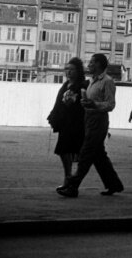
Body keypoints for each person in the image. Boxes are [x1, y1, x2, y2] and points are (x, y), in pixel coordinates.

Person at [57, 53, 124, 198]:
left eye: (92, 62)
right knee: (99, 156)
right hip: (88, 121)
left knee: (86, 155)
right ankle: (113, 184)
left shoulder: (107, 81)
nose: (90, 64)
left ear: (99, 64)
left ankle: (72, 185)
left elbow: (110, 104)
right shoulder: (91, 81)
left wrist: (94, 104)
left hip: (99, 122)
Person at [48, 58, 89, 188]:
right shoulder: (65, 85)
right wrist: (54, 116)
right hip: (65, 124)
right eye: (67, 69)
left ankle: (71, 181)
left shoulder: (83, 86)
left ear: (78, 71)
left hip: (77, 124)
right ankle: (68, 178)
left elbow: (84, 105)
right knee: (63, 151)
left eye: (71, 69)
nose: (68, 72)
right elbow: (58, 103)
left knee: (82, 154)